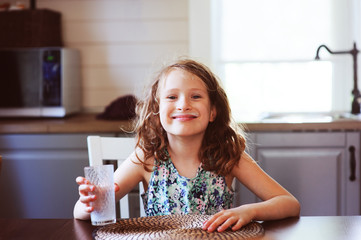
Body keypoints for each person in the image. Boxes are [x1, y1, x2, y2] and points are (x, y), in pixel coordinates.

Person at [73, 58, 300, 232]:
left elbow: (289, 203)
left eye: (196, 97)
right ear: (157, 111)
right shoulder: (147, 157)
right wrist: (91, 200)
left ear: (213, 111)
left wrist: (249, 211)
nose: (183, 105)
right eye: (172, 97)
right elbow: (80, 213)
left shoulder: (228, 155)